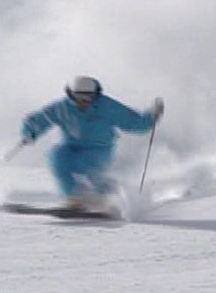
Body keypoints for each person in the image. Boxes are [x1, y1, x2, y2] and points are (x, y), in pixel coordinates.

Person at [20, 75, 164, 211]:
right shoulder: (63, 107)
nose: (83, 102)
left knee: (93, 174)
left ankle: (112, 198)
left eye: (88, 97)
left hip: (99, 150)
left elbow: (133, 122)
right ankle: (74, 199)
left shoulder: (107, 106)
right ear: (71, 95)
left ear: (95, 95)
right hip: (71, 148)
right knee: (57, 158)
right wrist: (30, 131)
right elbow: (40, 119)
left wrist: (151, 117)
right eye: (78, 97)